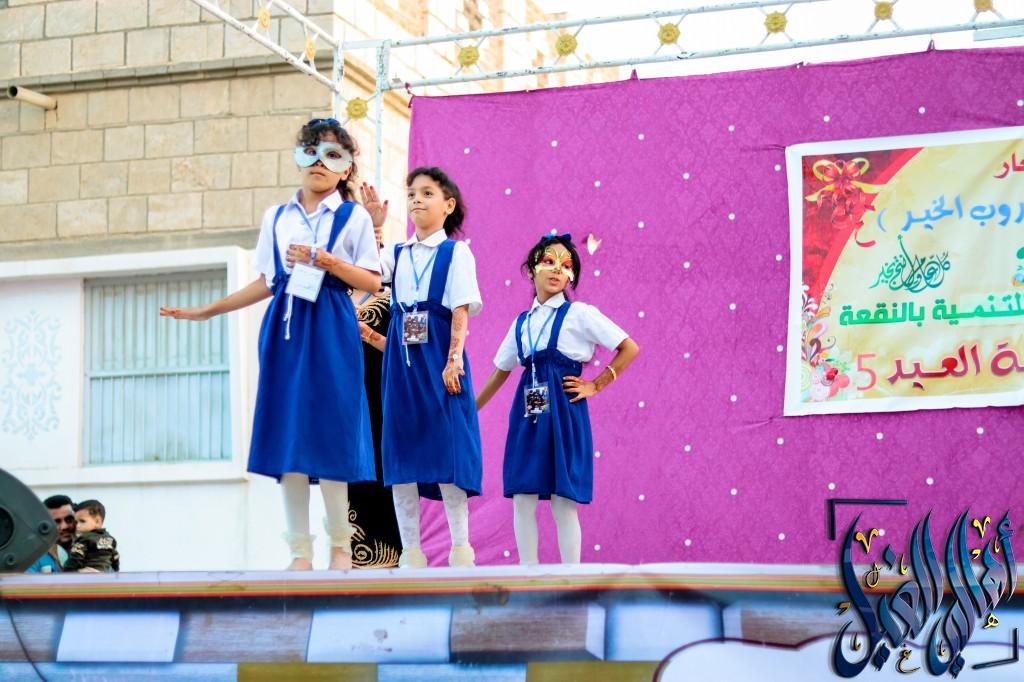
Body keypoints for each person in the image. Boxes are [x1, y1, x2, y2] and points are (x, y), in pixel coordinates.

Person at [160, 119, 381, 571]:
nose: (319, 162)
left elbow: (372, 281)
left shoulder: (353, 216)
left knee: (333, 431)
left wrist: (326, 260)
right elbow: (267, 281)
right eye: (310, 151)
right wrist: (209, 310)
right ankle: (299, 552)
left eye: (332, 155)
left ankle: (341, 548)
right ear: (298, 157)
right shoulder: (277, 217)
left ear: (345, 168)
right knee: (288, 434)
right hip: (284, 327)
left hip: (331, 323)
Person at [476, 234, 639, 565]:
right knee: (523, 496)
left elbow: (629, 347)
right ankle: (528, 574)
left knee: (563, 501)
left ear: (571, 277)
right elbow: (499, 372)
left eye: (566, 266)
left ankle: (571, 578)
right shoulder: (521, 323)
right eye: (548, 261)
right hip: (528, 415)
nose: (557, 270)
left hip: (565, 413)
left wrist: (596, 385)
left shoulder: (579, 313)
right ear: (531, 269)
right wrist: (470, 410)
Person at [373, 167, 483, 568]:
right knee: (401, 453)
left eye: (427, 193)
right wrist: (375, 227)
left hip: (438, 355)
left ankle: (461, 550)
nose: (416, 200)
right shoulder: (396, 253)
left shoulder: (456, 252)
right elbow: (368, 273)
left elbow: (461, 308)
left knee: (447, 449)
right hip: (401, 363)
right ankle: (411, 553)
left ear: (448, 205)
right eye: (411, 194)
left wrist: (454, 359)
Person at [63, 499, 119, 572]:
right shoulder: (110, 539)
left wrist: (67, 571)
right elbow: (115, 557)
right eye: (76, 522)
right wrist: (115, 571)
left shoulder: (84, 539)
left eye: (82, 521)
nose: (77, 526)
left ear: (97, 522)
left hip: (88, 574)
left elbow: (76, 557)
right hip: (104, 574)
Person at [25, 494, 75, 573]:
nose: (64, 527)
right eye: (56, 522)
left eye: (69, 519)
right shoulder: (34, 556)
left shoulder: (91, 548)